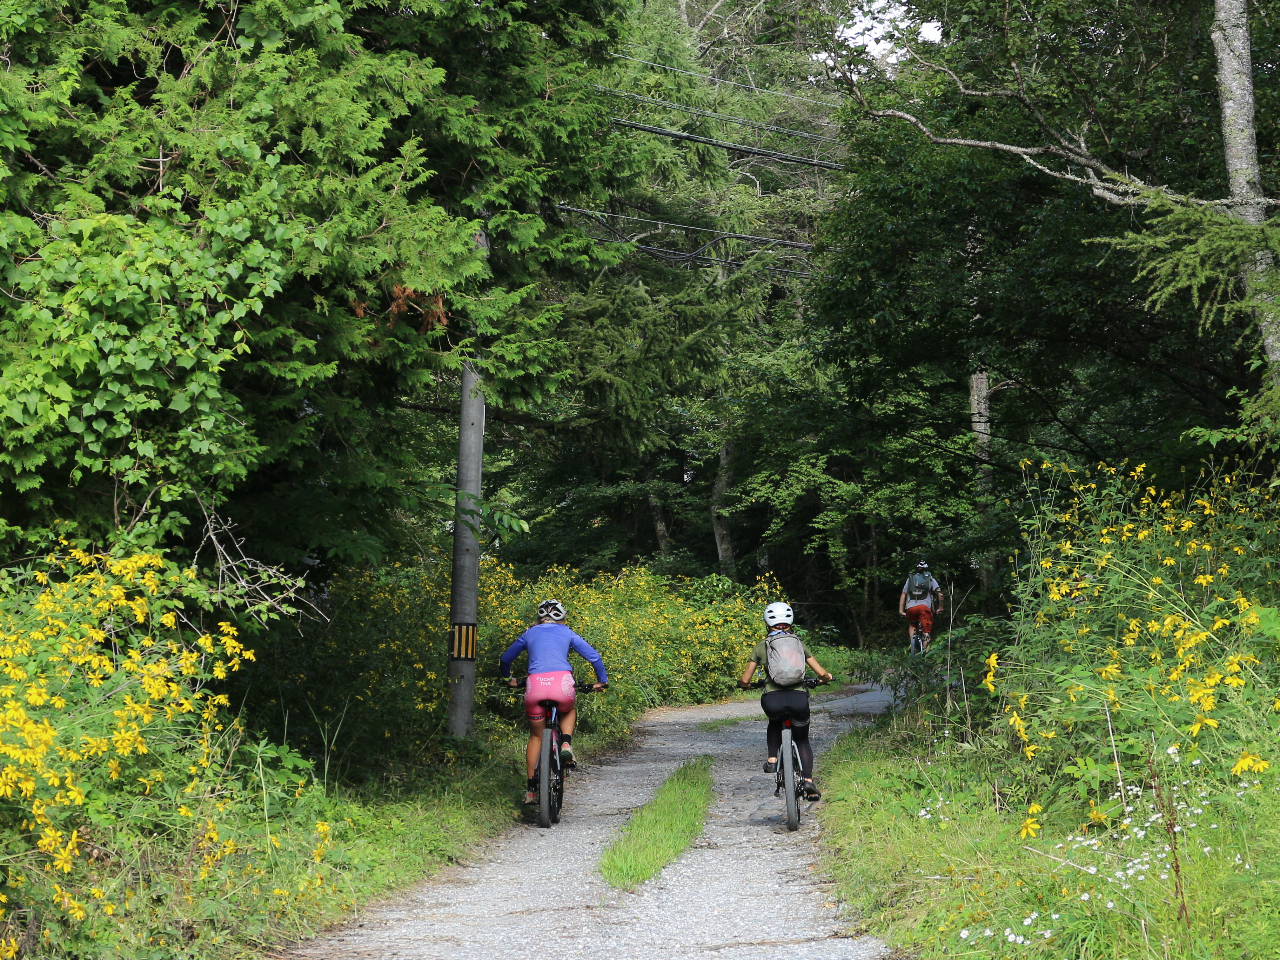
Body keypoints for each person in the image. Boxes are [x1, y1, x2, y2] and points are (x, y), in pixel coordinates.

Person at [500, 599, 608, 805]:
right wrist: (601, 681)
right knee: (568, 710)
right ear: (563, 618)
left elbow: (505, 659)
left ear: (539, 618)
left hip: (534, 686)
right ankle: (566, 742)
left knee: (536, 736)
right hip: (562, 685)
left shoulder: (529, 633)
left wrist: (509, 680)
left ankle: (531, 790)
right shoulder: (567, 633)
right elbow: (595, 658)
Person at [737, 602, 834, 801]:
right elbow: (821, 672)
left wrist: (745, 685)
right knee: (802, 739)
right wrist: (825, 679)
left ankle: (772, 759)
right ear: (790, 622)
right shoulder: (799, 643)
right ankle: (808, 780)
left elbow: (745, 679)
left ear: (767, 622)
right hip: (798, 699)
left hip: (773, 700)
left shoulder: (762, 646)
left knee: (774, 721)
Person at [899, 560, 943, 654]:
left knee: (912, 624)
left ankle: (912, 645)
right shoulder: (930, 579)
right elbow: (940, 594)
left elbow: (903, 595)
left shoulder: (910, 579)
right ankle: (926, 652)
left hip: (911, 608)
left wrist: (901, 611)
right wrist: (940, 608)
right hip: (925, 608)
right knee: (926, 631)